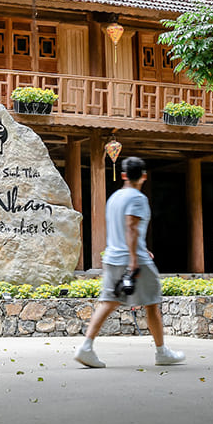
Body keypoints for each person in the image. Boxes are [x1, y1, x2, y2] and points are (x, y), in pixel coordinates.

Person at [74, 156, 186, 368]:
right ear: (143, 176)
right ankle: (162, 352)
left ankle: (86, 347)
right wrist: (135, 260)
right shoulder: (138, 199)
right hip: (134, 261)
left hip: (112, 258)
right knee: (152, 303)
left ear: (124, 175)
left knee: (108, 302)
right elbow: (131, 228)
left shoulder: (114, 198)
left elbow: (122, 230)